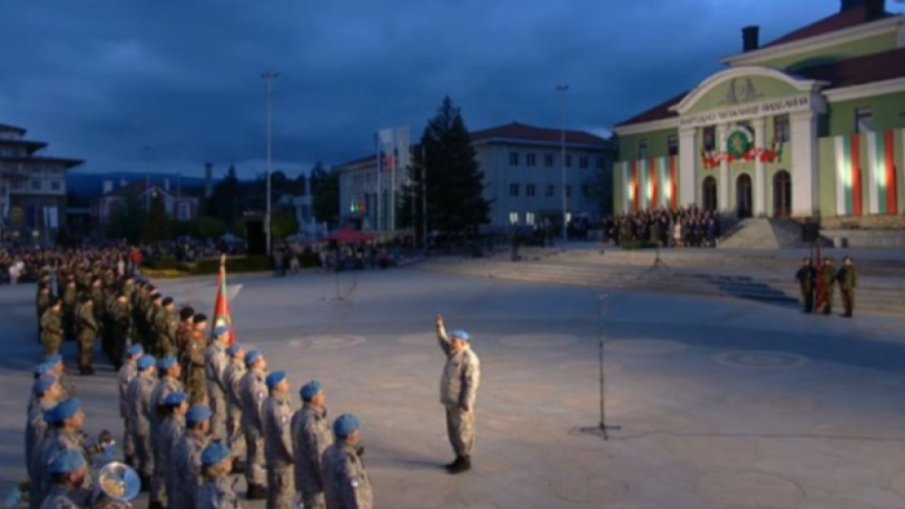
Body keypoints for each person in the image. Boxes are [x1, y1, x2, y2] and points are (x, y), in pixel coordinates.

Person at [435, 314, 481, 474]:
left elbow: (471, 382)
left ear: (464, 343)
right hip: (451, 401)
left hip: (460, 404)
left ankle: (465, 459)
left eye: (454, 341)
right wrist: (440, 327)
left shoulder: (469, 359)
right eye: (452, 340)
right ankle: (458, 457)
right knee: (453, 431)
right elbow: (443, 342)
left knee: (463, 431)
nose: (451, 343)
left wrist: (467, 402)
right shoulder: (454, 353)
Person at [150, 357, 185, 509]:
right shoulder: (166, 387)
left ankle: (157, 499)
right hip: (164, 432)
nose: (179, 368)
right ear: (170, 370)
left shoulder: (167, 384)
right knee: (164, 469)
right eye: (176, 366)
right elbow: (163, 406)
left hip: (162, 430)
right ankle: (157, 500)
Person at [291, 380, 332, 509]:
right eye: (321, 394)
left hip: (304, 476)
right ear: (314, 399)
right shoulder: (313, 422)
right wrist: (327, 481)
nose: (324, 397)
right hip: (314, 482)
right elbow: (319, 455)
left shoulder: (299, 414)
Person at [26, 376, 63, 507]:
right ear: (46, 391)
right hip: (42, 465)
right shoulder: (40, 413)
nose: (60, 389)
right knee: (41, 498)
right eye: (56, 387)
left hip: (44, 462)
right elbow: (41, 441)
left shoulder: (50, 407)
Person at [322, 414, 372, 509]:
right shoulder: (347, 460)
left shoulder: (330, 452)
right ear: (349, 436)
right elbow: (355, 494)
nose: (359, 435)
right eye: (357, 432)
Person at [239, 349, 269, 500]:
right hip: (256, 425)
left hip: (248, 422)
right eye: (262, 359)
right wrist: (266, 428)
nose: (265, 361)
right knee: (258, 457)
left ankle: (253, 483)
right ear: (256, 363)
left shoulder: (246, 377)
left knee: (252, 455)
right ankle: (256, 486)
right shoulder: (256, 381)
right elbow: (260, 407)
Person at [169, 405, 212, 509]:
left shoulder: (183, 440)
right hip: (188, 503)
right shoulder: (193, 450)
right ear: (201, 425)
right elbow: (195, 483)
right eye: (207, 421)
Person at [263, 371, 294, 509]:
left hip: (273, 454)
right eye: (285, 383)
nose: (288, 385)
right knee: (283, 496)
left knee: (274, 493)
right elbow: (285, 434)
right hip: (281, 458)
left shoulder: (269, 401)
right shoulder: (279, 407)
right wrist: (293, 455)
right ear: (277, 387)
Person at [152, 392, 189, 509]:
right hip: (172, 468)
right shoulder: (175, 426)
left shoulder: (167, 422)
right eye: (184, 403)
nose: (187, 405)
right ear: (176, 409)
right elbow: (176, 449)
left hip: (166, 465)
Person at [127, 355, 158, 490]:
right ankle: (146, 481)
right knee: (148, 455)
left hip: (134, 423)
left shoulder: (133, 382)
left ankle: (141, 478)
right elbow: (149, 406)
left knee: (140, 454)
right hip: (145, 424)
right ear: (149, 368)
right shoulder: (145, 385)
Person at [118, 344, 144, 467]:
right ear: (134, 356)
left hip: (129, 405)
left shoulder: (131, 368)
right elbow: (130, 389)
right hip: (129, 405)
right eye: (140, 354)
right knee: (130, 431)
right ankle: (129, 455)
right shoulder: (128, 370)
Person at [223, 344, 247, 470]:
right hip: (237, 407)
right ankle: (231, 461)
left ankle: (234, 460)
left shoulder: (233, 367)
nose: (244, 352)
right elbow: (237, 389)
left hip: (234, 405)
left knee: (236, 433)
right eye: (242, 351)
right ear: (236, 354)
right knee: (235, 434)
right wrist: (245, 404)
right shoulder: (235, 369)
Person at [205, 326, 230, 442]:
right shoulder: (217, 352)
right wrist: (227, 388)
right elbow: (220, 372)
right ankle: (215, 438)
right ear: (219, 337)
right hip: (217, 388)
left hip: (215, 387)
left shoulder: (216, 349)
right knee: (218, 413)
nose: (228, 337)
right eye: (226, 335)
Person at [197, 442, 241, 509]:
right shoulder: (223, 490)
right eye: (229, 459)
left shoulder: (204, 487)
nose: (231, 461)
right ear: (223, 465)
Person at [185, 314, 209, 405]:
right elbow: (193, 356)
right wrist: (206, 361)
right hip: (196, 371)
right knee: (197, 394)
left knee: (202, 393)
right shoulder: (192, 337)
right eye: (203, 323)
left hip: (202, 370)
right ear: (197, 324)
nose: (205, 325)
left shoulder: (202, 335)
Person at [76, 296, 99, 375]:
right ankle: (84, 366)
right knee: (86, 351)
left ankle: (86, 365)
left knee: (87, 350)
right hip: (86, 333)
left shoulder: (82, 308)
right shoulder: (85, 309)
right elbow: (87, 319)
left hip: (87, 333)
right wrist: (95, 326)